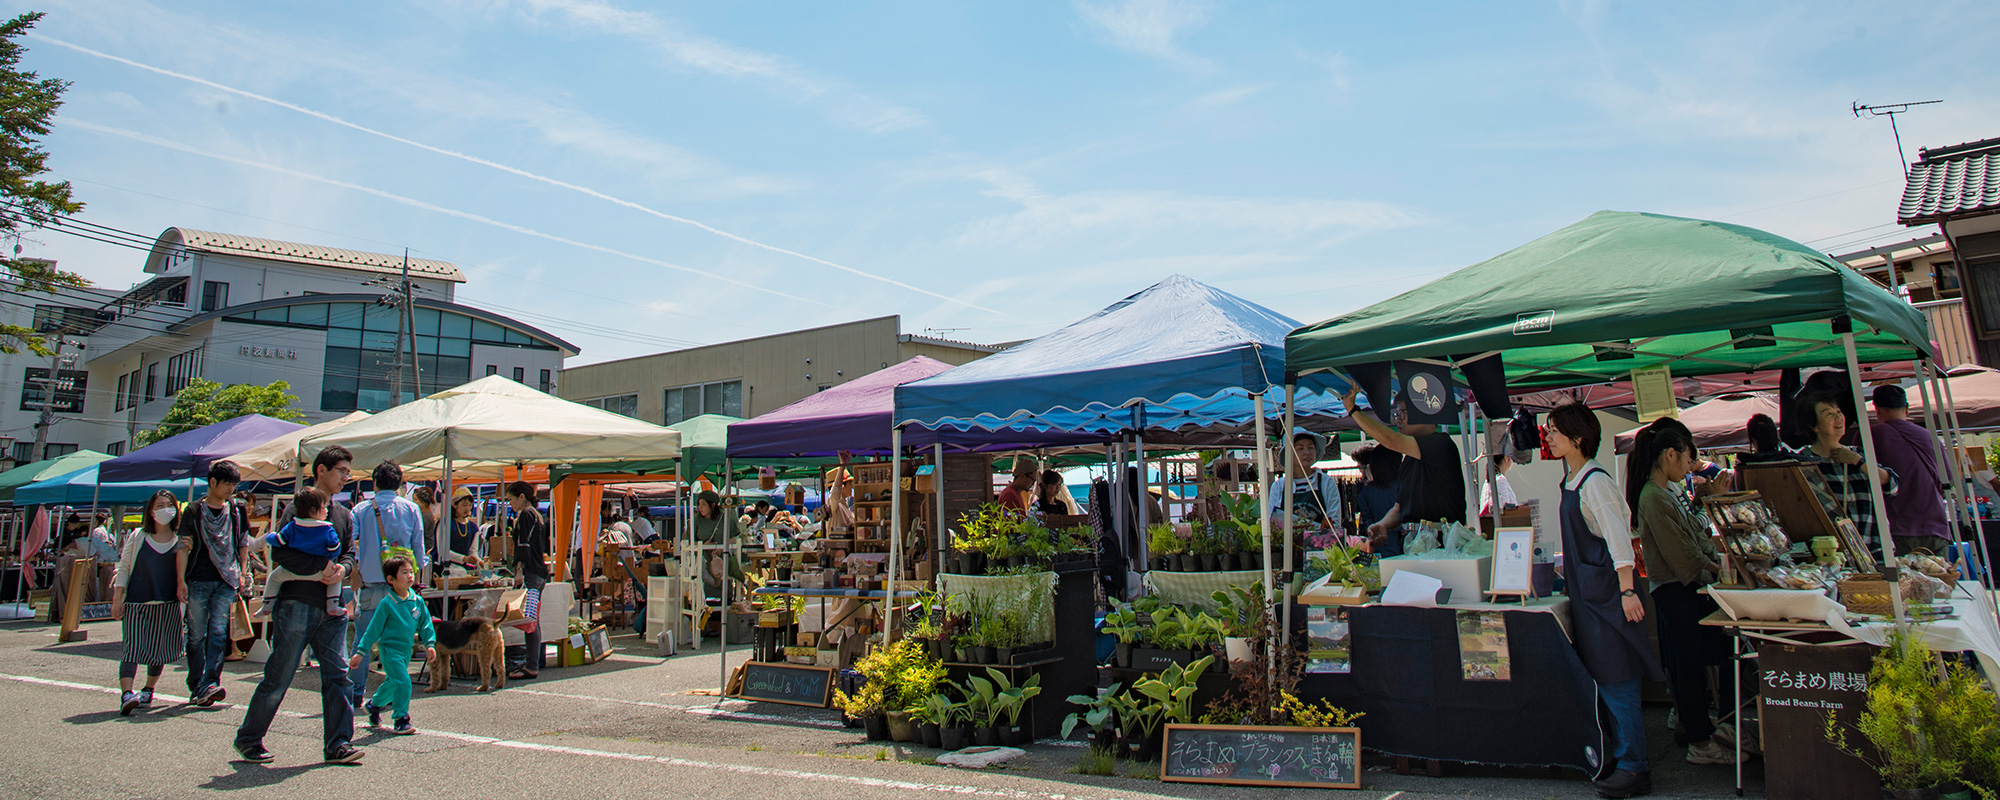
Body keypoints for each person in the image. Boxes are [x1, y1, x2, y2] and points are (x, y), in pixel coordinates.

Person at [1546, 403, 1662, 798]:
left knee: (1618, 680)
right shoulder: (1573, 479)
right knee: (1605, 680)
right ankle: (1624, 756)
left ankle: (1635, 767)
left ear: (1578, 438)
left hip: (1610, 597)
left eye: (1555, 431)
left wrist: (1627, 591)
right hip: (1589, 596)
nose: (1549, 437)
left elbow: (1619, 540)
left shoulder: (1595, 482)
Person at [235, 445, 363, 765]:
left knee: (338, 676)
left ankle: (339, 744)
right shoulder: (297, 507)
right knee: (280, 675)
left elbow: (349, 552)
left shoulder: (343, 514)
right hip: (296, 603)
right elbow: (281, 552)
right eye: (341, 471)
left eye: (348, 472)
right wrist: (321, 566)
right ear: (321, 470)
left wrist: (343, 569)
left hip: (332, 606)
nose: (346, 477)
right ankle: (249, 738)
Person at [1627, 418, 1736, 768]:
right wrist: (1720, 568)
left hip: (1684, 587)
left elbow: (1693, 541)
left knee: (1700, 662)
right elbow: (1684, 556)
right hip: (1678, 589)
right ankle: (1701, 740)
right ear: (1670, 454)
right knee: (1692, 666)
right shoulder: (1654, 497)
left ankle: (1712, 731)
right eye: (1688, 459)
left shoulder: (1664, 492)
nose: (1690, 467)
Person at [349, 460, 429, 708]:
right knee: (398, 643)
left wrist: (354, 570)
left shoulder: (361, 509)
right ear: (400, 484)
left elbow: (349, 544)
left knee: (363, 641)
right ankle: (392, 692)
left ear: (374, 482)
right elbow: (419, 548)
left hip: (370, 582)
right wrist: (416, 574)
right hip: (401, 586)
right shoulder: (411, 508)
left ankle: (355, 693)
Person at [1344, 387, 1466, 547]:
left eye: (1402, 413)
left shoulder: (1441, 444)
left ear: (1424, 413)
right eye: (1396, 414)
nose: (1398, 420)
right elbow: (1399, 507)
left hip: (1442, 543)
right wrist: (1383, 524)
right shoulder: (1409, 459)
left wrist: (1353, 411)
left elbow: (1390, 439)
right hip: (1415, 542)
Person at [1781, 392, 1899, 550]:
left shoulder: (1858, 454)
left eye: (1838, 411)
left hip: (1874, 552)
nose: (1838, 418)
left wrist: (1857, 461)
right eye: (1829, 414)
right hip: (1833, 554)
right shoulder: (1804, 463)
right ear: (1814, 426)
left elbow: (1892, 486)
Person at [180, 460, 251, 708]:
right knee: (196, 634)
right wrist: (180, 580)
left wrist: (242, 572)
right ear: (212, 482)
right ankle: (196, 683)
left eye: (234, 485)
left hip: (226, 579)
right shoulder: (193, 510)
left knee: (219, 632)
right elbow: (183, 547)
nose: (231, 489)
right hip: (198, 578)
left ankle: (210, 683)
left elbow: (243, 543)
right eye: (227, 484)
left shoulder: (237, 510)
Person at [111, 490, 186, 716]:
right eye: (159, 505)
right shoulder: (138, 536)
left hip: (168, 603)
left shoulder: (181, 539)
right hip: (137, 601)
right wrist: (117, 598)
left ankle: (148, 689)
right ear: (151, 512)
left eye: (169, 505)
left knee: (159, 650)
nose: (165, 509)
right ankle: (127, 694)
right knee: (132, 648)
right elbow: (124, 568)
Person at [349, 556, 435, 736]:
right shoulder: (386, 604)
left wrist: (430, 644)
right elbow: (373, 630)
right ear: (391, 579)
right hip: (390, 651)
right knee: (403, 681)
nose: (410, 576)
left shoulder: (416, 601)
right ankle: (401, 719)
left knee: (393, 683)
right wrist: (361, 652)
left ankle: (374, 705)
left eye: (411, 572)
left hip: (406, 651)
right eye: (404, 573)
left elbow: (426, 624)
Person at [1868, 385, 1952, 555]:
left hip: (1896, 527)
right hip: (1935, 526)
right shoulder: (1930, 437)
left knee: (1902, 574)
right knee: (1938, 573)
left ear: (1877, 409)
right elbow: (1947, 479)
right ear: (1906, 409)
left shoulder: (1870, 435)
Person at [260, 487, 344, 616]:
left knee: (274, 578)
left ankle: (267, 605)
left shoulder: (292, 526)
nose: (327, 511)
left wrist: (269, 536)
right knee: (336, 578)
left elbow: (279, 541)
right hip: (320, 573)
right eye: (324, 507)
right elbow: (334, 549)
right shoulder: (327, 529)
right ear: (313, 510)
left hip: (291, 571)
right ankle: (332, 605)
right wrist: (329, 559)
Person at [505, 481, 550, 680]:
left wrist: (519, 569)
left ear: (521, 497)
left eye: (511, 499)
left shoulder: (525, 515)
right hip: (540, 571)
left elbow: (523, 545)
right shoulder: (537, 515)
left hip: (531, 571)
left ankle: (531, 665)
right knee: (533, 619)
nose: (510, 503)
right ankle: (533, 662)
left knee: (530, 620)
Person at [1269, 430, 1345, 540]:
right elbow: (1273, 523)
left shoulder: (1326, 482)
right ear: (1289, 454)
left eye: (1311, 447)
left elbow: (1335, 522)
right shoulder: (1279, 486)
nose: (1307, 452)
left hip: (1320, 545)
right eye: (1300, 448)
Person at [1354, 446, 1403, 556]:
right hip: (1405, 548)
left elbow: (1368, 526)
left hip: (1378, 550)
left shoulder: (1365, 493)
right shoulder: (1404, 488)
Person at [446, 488, 484, 568]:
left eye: (470, 505)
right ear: (454, 505)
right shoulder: (446, 523)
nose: (467, 509)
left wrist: (480, 562)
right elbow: (442, 550)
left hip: (463, 570)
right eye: (464, 505)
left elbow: (473, 551)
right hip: (444, 568)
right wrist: (463, 558)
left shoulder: (473, 527)